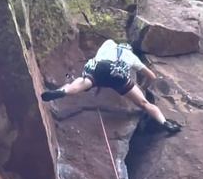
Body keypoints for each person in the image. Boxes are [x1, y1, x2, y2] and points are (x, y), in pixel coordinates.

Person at [41, 39, 181, 133]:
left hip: (100, 68)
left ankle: (62, 91)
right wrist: (143, 87)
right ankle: (164, 122)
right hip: (118, 75)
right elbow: (152, 76)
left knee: (82, 82)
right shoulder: (131, 56)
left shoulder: (108, 44)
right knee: (144, 103)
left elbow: (97, 59)